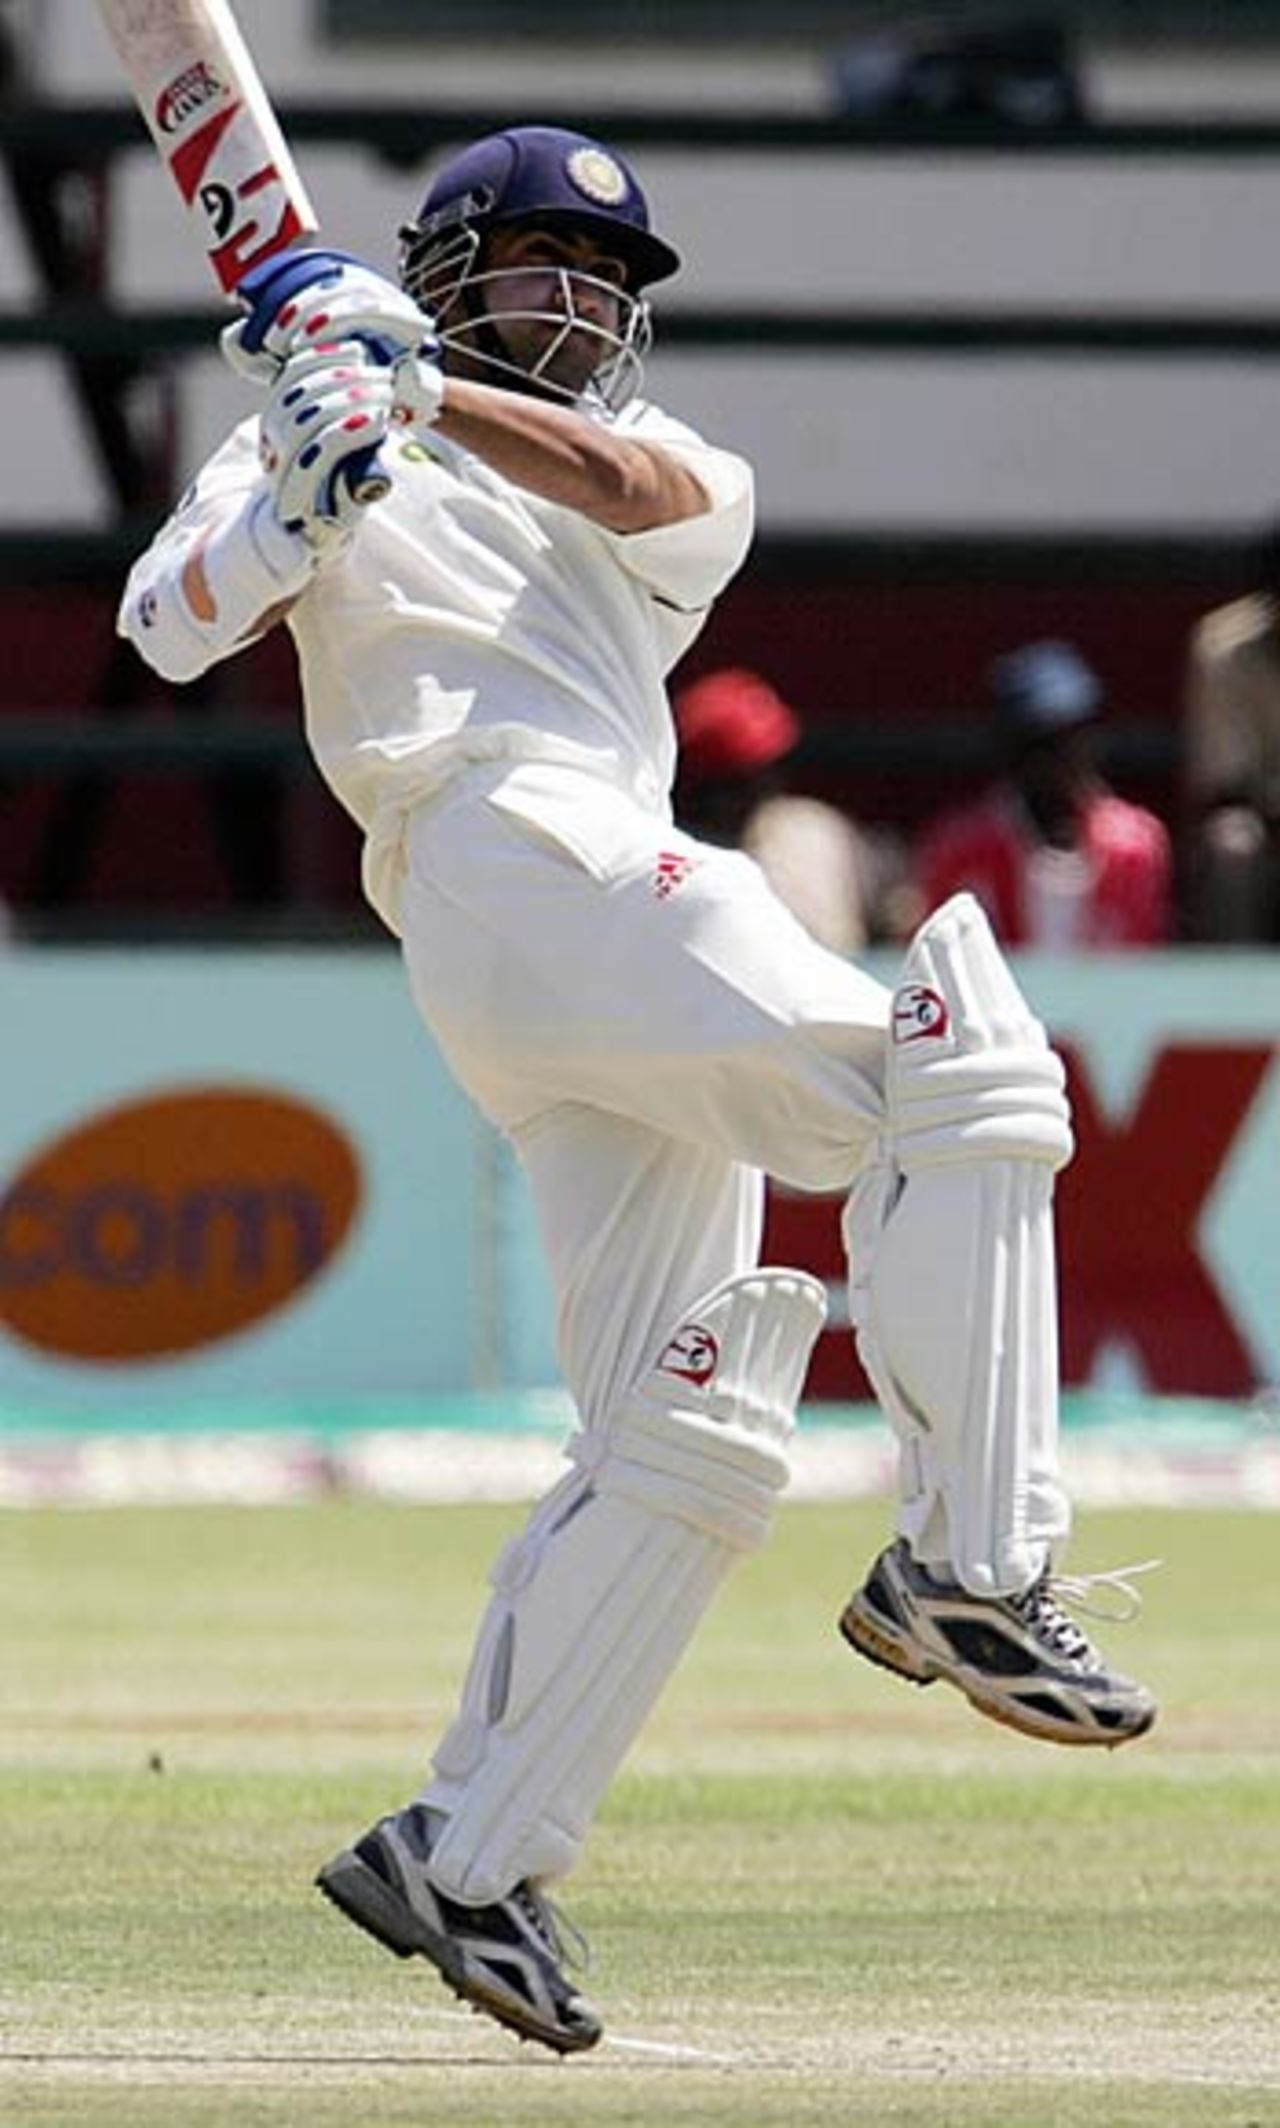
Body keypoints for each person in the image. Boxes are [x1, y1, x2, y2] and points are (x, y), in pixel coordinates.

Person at [117, 126, 1156, 2059]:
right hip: (501, 857)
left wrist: (408, 391)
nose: (581, 308)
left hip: (579, 904)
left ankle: (472, 1850)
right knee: (963, 1069)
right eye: (536, 268)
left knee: (687, 1422)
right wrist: (303, 498)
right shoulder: (304, 425)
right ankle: (978, 1561)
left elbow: (620, 475)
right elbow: (166, 621)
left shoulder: (666, 471)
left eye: (608, 281)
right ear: (448, 270)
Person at [915, 639, 1172, 950]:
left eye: (1075, 739)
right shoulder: (960, 851)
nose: (1063, 760)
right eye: (1043, 745)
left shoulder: (1135, 849)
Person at [673, 664, 896, 955]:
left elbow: (890, 918)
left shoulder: (814, 829)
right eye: (740, 778)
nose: (766, 785)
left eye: (768, 769)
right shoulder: (671, 859)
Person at [1183, 532, 1280, 943]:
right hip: (1267, 827)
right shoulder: (1224, 647)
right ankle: (1232, 999)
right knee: (1232, 843)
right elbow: (1228, 785)